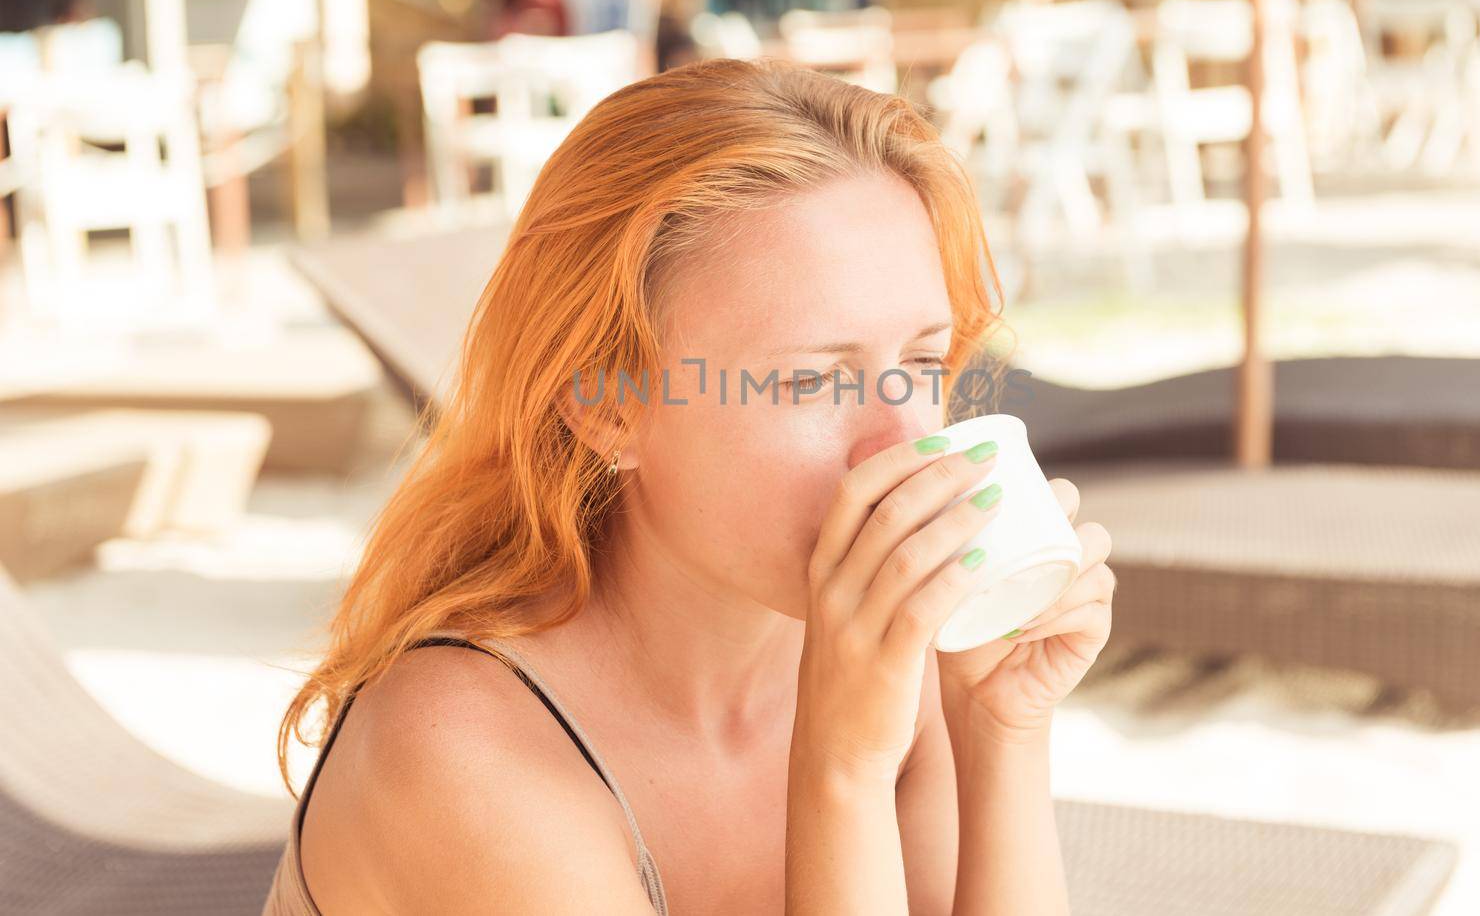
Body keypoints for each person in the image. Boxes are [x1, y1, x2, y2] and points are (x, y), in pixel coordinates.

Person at [263, 57, 1116, 915]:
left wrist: (1004, 733)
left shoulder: (884, 662)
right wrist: (841, 771)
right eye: (810, 382)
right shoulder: (462, 751)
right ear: (606, 406)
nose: (903, 441)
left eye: (922, 361)